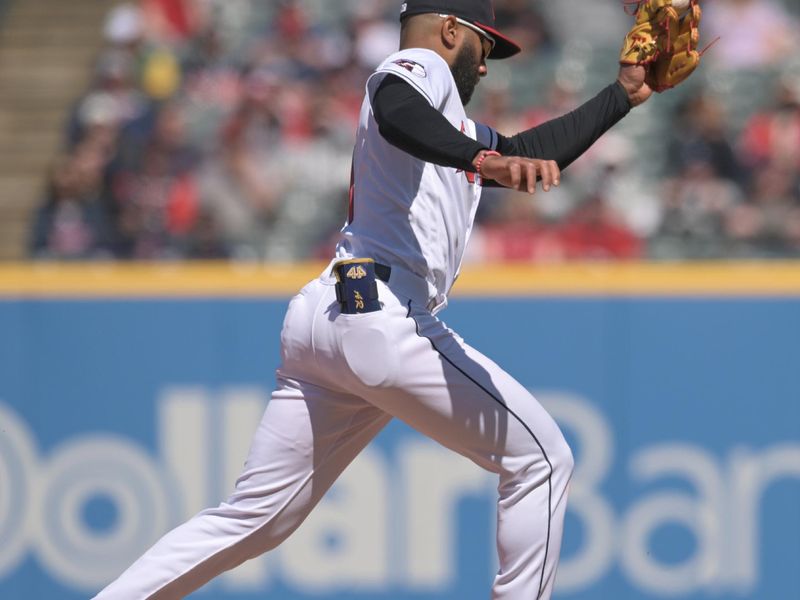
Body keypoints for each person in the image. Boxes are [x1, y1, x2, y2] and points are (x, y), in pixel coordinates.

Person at [93, 1, 652, 598]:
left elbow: (528, 148)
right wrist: (484, 158)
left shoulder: (453, 132)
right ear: (449, 30)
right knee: (542, 459)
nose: (486, 68)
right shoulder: (420, 68)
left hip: (332, 309)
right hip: (380, 310)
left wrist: (620, 94)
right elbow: (394, 105)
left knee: (253, 520)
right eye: (484, 49)